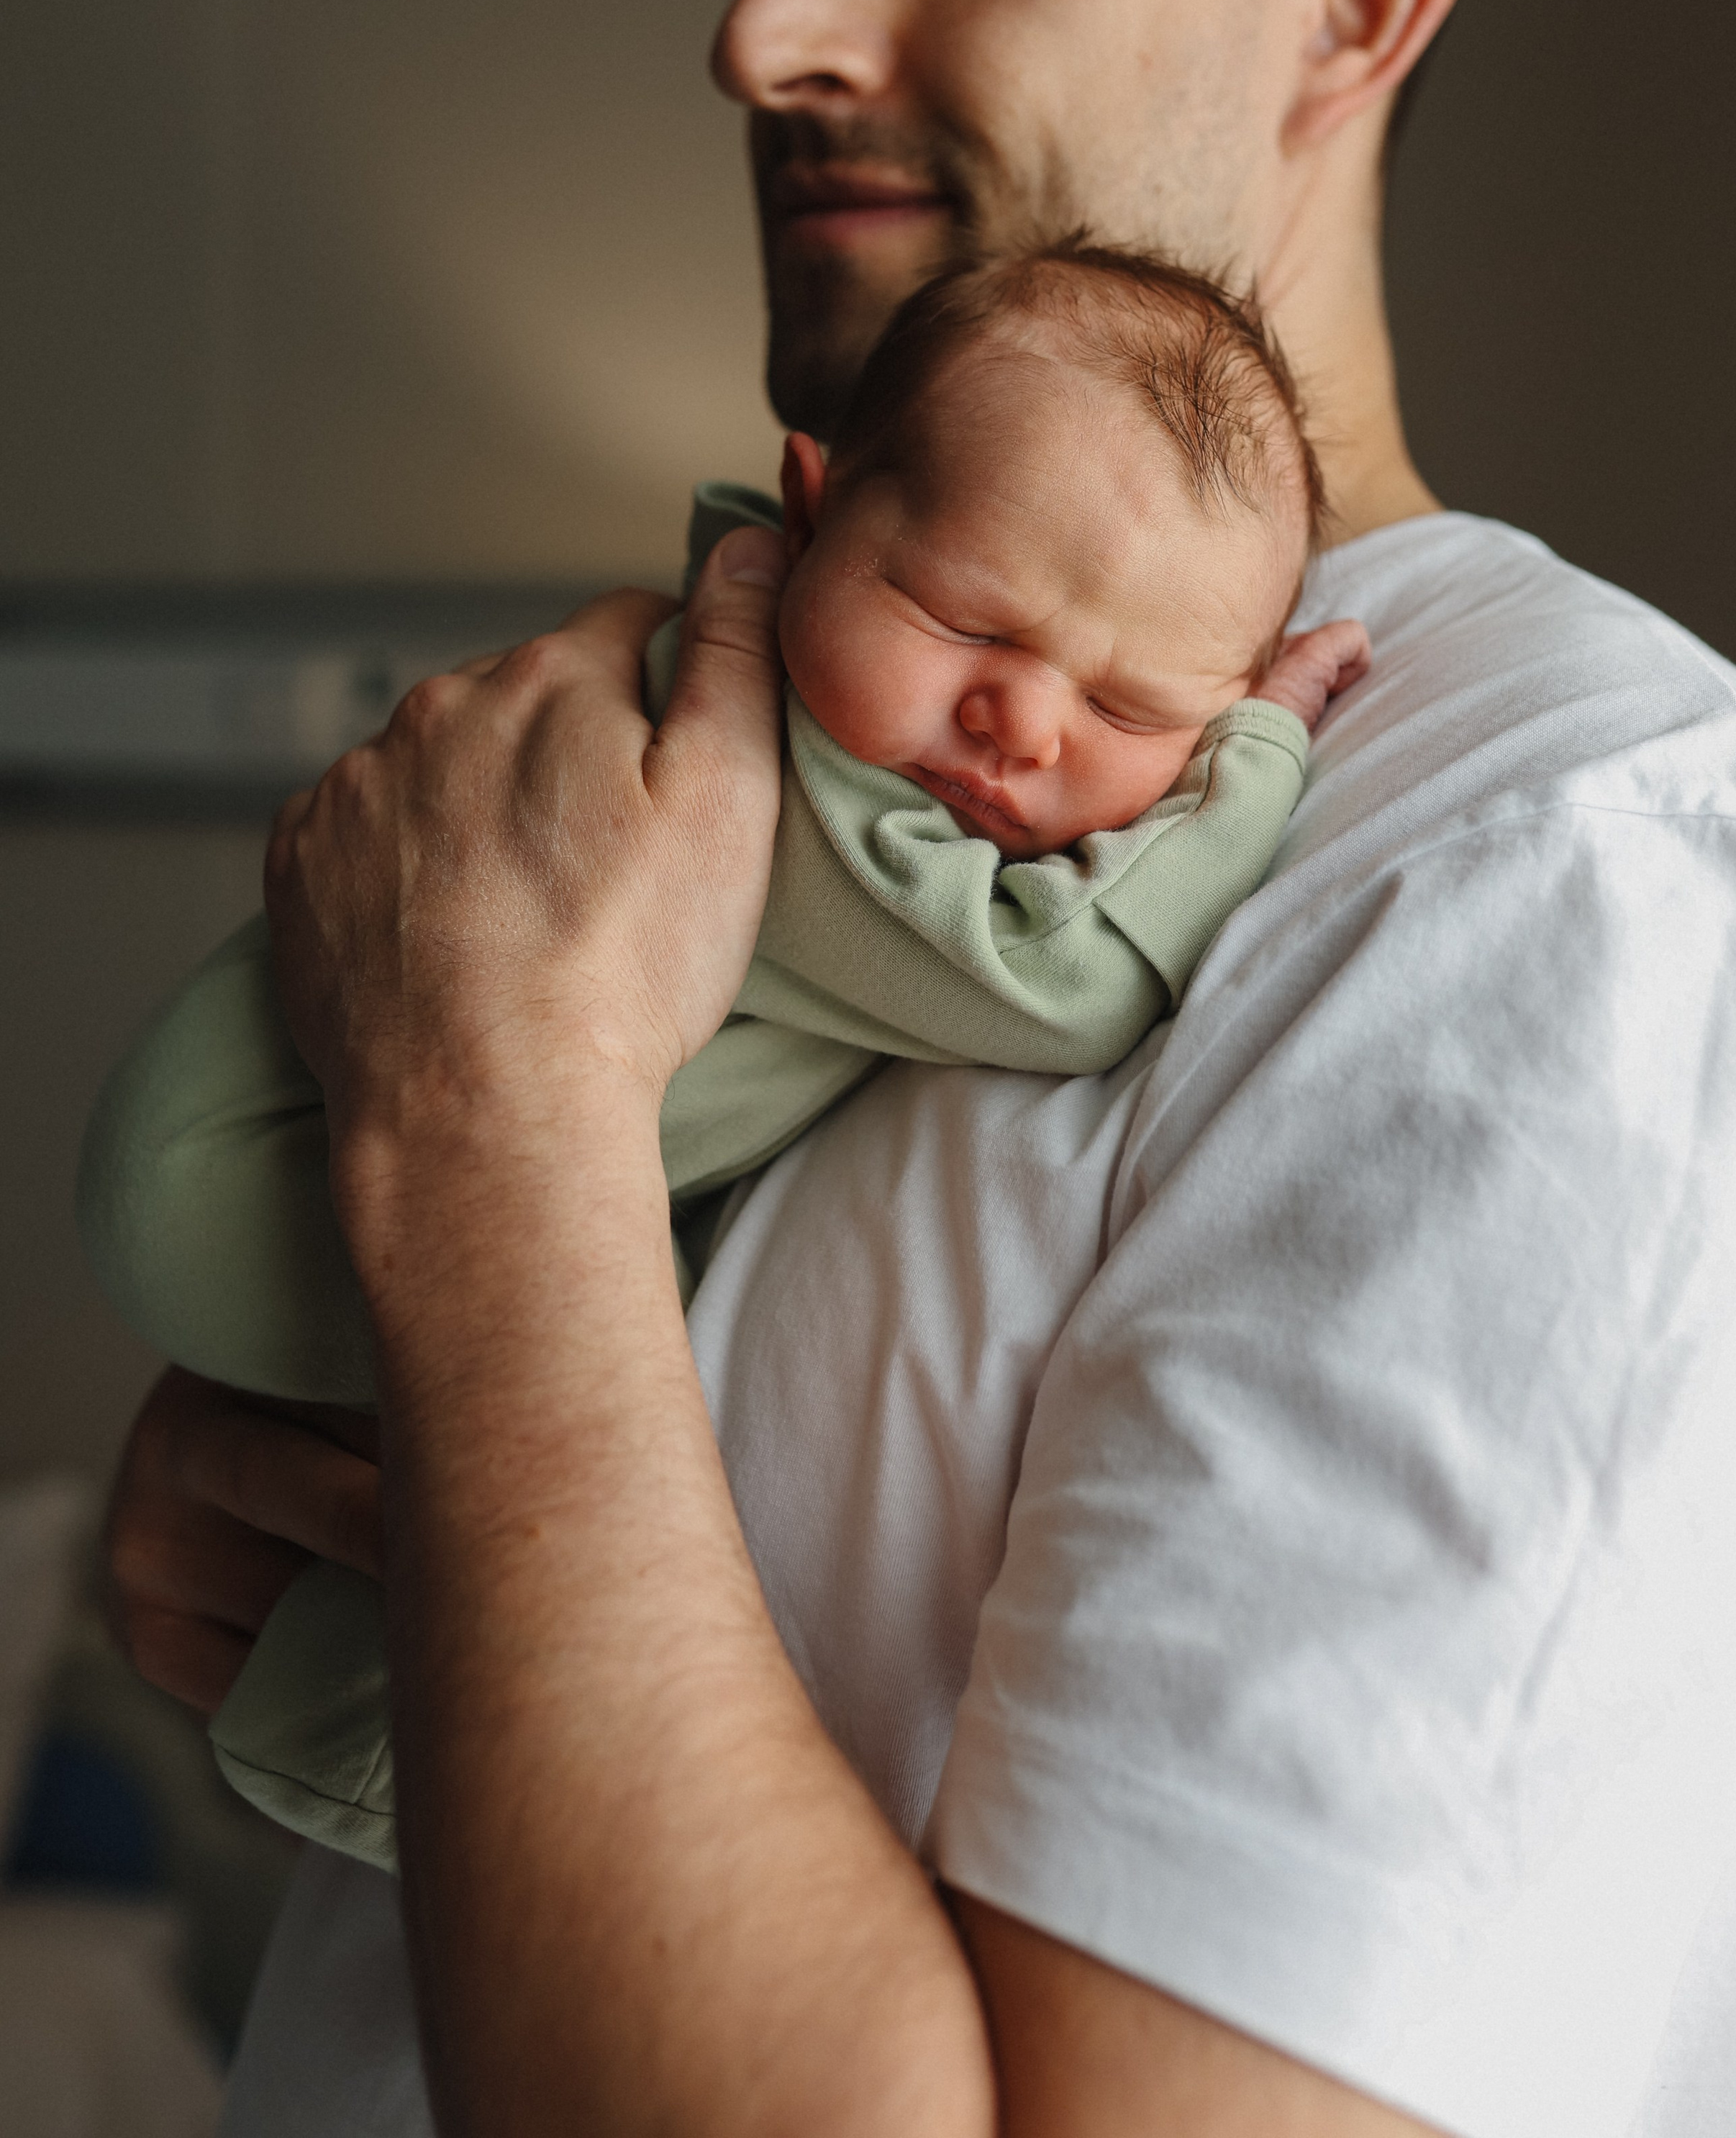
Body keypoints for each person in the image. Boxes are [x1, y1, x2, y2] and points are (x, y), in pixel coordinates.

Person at [101, 0, 1736, 2138]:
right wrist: (367, 1429)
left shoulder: (1585, 868)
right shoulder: (730, 771)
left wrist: (489, 1141)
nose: (762, 27)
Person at [81, 240, 1366, 1871]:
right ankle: (388, 1774)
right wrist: (1253, 754)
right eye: (958, 616)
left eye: (1130, 710)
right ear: (809, 515)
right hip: (239, 1182)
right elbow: (1063, 983)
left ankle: (363, 1763)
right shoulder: (785, 778)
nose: (1021, 726)